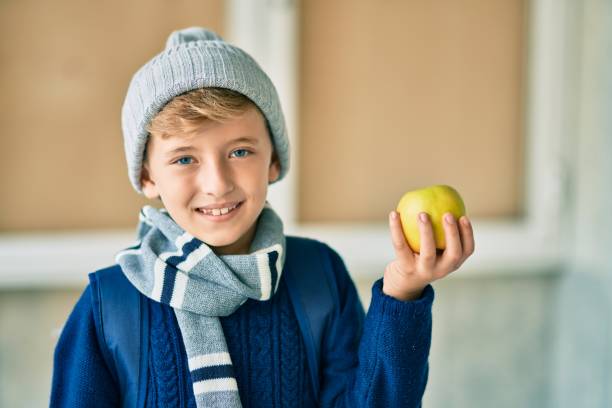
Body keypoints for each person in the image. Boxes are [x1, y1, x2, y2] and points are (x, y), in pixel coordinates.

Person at [50, 27, 475, 407]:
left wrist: (404, 289)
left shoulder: (319, 276)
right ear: (147, 176)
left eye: (240, 151)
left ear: (273, 161)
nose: (217, 184)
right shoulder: (109, 305)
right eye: (184, 159)